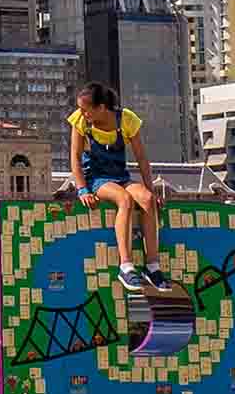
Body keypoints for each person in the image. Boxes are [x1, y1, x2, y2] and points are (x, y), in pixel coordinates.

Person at [66, 79, 166, 294]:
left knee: (147, 200)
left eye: (85, 110)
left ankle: (152, 266)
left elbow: (141, 158)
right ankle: (126, 265)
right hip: (96, 179)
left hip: (120, 176)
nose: (82, 113)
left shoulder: (126, 120)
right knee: (125, 200)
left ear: (101, 108)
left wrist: (151, 189)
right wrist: (82, 188)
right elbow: (74, 158)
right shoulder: (81, 122)